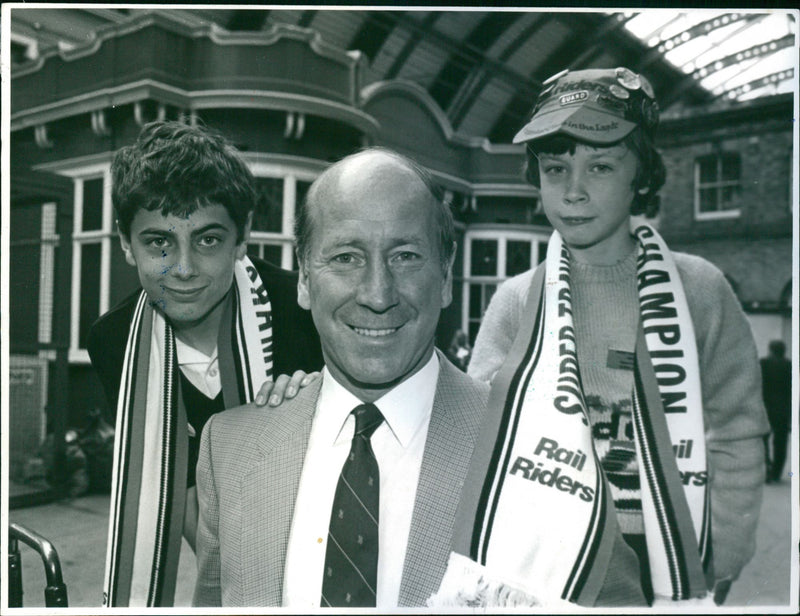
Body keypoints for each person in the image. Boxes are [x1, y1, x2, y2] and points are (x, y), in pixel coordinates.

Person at [431, 68, 769, 608]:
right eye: (555, 168)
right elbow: (479, 436)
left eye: (602, 166)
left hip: (669, 554)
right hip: (546, 554)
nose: (574, 191)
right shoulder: (518, 299)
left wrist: (722, 558)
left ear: (642, 175)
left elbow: (737, 432)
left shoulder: (699, 288)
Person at [192, 148, 489, 608]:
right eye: (347, 257)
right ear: (305, 280)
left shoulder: (522, 441)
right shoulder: (228, 449)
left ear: (446, 276)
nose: (377, 294)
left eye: (406, 256)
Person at [87, 121, 323, 607]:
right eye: (159, 243)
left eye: (208, 240)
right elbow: (184, 487)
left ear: (243, 237)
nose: (185, 268)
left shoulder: (303, 309)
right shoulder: (114, 342)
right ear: (126, 242)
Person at [761, 340, 792, 483]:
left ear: (770, 350)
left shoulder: (763, 364)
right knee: (780, 443)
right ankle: (776, 473)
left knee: (763, 442)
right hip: (783, 411)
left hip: (765, 409)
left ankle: (766, 470)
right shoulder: (789, 366)